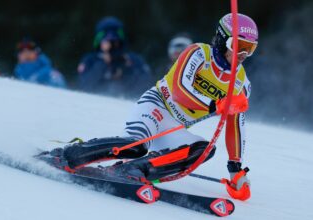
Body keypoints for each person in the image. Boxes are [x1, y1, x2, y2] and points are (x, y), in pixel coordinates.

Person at [45, 13, 258, 197]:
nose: (243, 55)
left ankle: (134, 170)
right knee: (136, 146)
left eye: (250, 49)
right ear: (222, 39)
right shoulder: (198, 53)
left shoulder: (241, 83)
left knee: (204, 150)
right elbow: (179, 91)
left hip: (174, 127)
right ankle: (67, 155)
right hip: (156, 107)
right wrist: (215, 105)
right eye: (238, 46)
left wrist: (235, 169)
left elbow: (236, 124)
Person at [77, 16, 153, 98]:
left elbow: (145, 88)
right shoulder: (90, 60)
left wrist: (126, 70)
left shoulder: (132, 60)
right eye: (107, 41)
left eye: (115, 42)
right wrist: (103, 64)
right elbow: (84, 87)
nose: (112, 45)